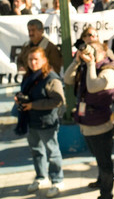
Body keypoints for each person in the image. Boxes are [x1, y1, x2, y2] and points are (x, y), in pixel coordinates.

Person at [63, 41, 114, 199]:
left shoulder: (108, 71)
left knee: (105, 163)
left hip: (100, 125)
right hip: (87, 123)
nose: (91, 54)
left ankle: (106, 194)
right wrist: (77, 61)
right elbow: (67, 79)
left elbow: (93, 87)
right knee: (98, 158)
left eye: (94, 51)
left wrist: (89, 65)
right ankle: (101, 181)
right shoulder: (87, 66)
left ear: (104, 53)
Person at [14, 47, 65, 197]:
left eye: (36, 59)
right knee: (36, 151)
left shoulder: (51, 78)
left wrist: (33, 105)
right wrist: (21, 98)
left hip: (46, 122)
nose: (33, 62)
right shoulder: (29, 76)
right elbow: (27, 93)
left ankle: (57, 180)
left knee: (52, 152)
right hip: (31, 121)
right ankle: (41, 177)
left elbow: (58, 100)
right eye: (30, 59)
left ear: (44, 60)